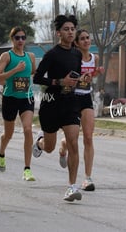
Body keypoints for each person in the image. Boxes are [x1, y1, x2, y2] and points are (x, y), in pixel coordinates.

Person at [32, 15, 92, 202]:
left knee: (73, 142)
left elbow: (75, 78)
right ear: (59, 33)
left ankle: (71, 187)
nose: (70, 32)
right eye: (66, 29)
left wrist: (81, 81)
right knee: (49, 147)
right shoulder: (52, 54)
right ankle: (40, 143)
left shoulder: (76, 54)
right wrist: (59, 81)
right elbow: (38, 78)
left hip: (70, 103)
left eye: (72, 28)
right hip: (51, 104)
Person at [58, 29, 104, 191]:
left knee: (89, 138)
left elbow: (91, 77)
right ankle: (63, 148)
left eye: (88, 38)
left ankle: (87, 178)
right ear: (76, 43)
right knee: (73, 139)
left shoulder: (94, 58)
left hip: (86, 98)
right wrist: (80, 79)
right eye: (82, 39)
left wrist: (96, 73)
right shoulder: (72, 58)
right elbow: (67, 80)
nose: (86, 41)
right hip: (72, 97)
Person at [0, 26, 36, 181]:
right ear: (12, 39)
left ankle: (27, 169)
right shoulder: (7, 56)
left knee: (27, 129)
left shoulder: (30, 56)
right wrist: (15, 70)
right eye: (17, 38)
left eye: (23, 37)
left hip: (26, 98)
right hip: (10, 98)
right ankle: (1, 152)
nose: (20, 40)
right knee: (9, 134)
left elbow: (33, 72)